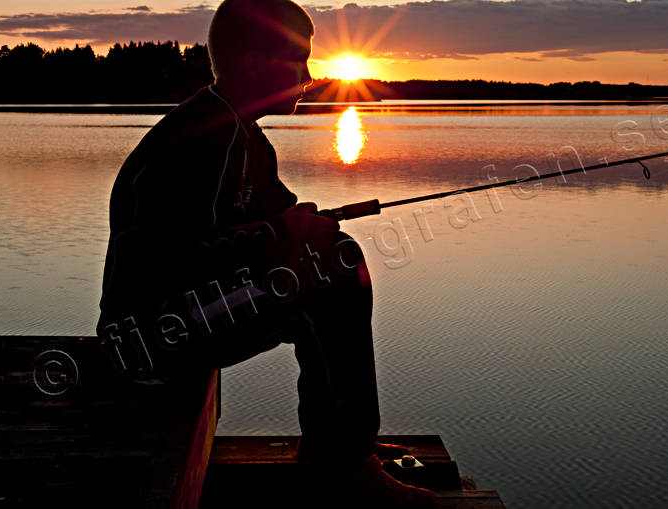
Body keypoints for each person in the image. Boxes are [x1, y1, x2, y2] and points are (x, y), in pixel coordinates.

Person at [96, 0, 436, 506]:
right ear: (255, 64)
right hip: (148, 338)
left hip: (178, 316)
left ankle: (340, 445)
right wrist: (281, 232)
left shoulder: (243, 135)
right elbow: (174, 257)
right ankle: (345, 467)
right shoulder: (203, 137)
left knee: (335, 254)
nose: (309, 72)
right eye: (298, 59)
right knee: (336, 274)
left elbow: (275, 223)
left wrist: (302, 226)